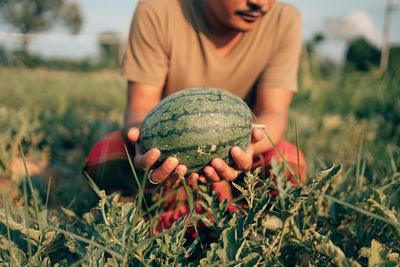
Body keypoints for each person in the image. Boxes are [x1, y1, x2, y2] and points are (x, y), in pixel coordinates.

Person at [83, 0, 307, 232]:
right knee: (106, 154)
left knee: (290, 160)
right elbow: (140, 106)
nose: (258, 3)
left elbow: (273, 113)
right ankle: (216, 210)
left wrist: (245, 149)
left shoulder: (284, 19)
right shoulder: (158, 8)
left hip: (241, 156)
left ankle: (173, 211)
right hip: (169, 158)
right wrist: (145, 146)